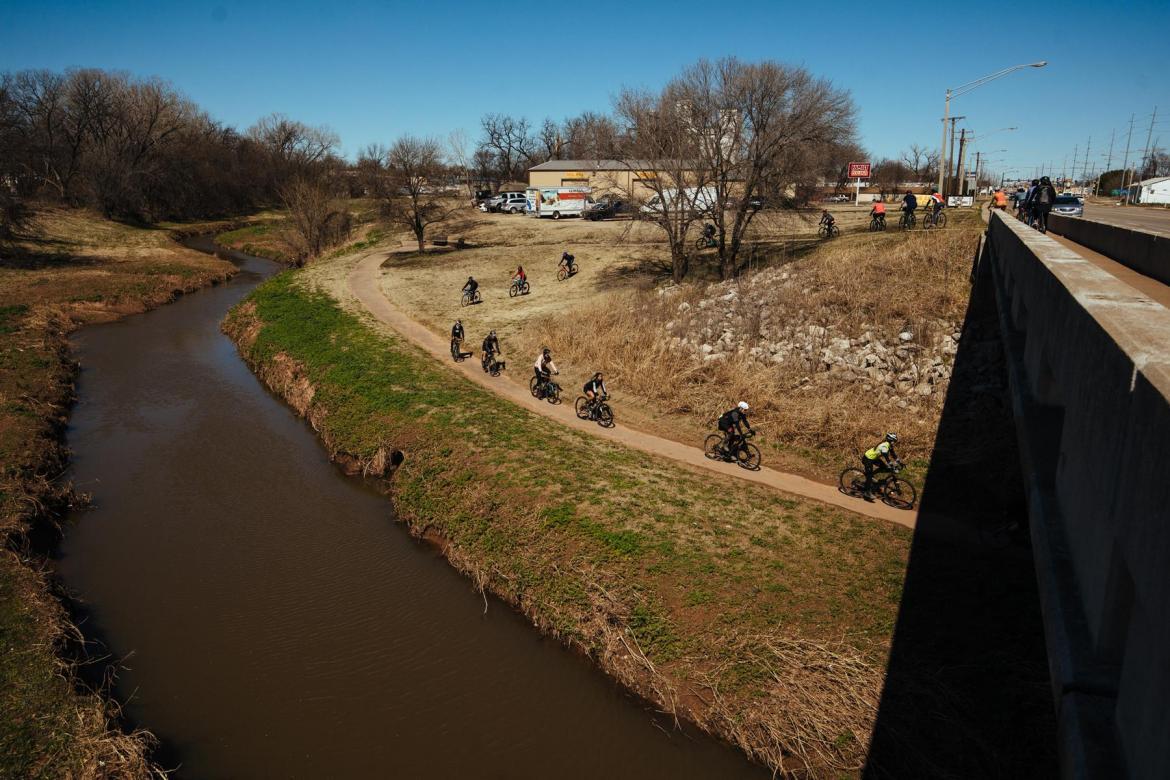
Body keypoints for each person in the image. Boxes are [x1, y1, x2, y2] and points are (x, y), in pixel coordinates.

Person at [861, 432, 903, 500]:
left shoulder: (889, 445)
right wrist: (891, 465)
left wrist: (900, 463)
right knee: (869, 476)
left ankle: (872, 477)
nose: (894, 442)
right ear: (890, 440)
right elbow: (886, 458)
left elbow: (893, 454)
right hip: (867, 459)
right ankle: (867, 492)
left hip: (874, 459)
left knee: (884, 468)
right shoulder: (884, 446)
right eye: (893, 441)